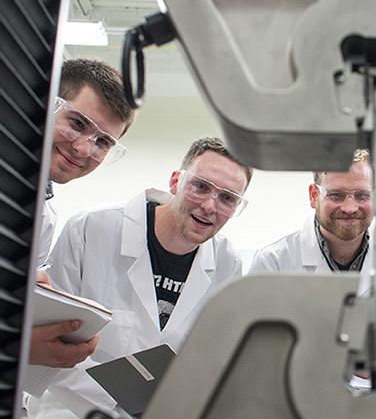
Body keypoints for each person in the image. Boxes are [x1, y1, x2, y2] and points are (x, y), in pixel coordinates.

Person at [27, 137, 251, 418]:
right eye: (201, 186)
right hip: (72, 410)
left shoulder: (228, 263)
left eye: (227, 198)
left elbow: (212, 362)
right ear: (175, 182)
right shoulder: (91, 229)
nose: (209, 206)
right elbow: (51, 345)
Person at [29, 59, 136, 380]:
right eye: (77, 123)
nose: (82, 148)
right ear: (45, 104)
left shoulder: (43, 216)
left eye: (103, 142)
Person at [248, 149, 376, 295]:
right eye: (336, 195)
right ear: (314, 196)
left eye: (362, 195)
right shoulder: (273, 263)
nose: (350, 207)